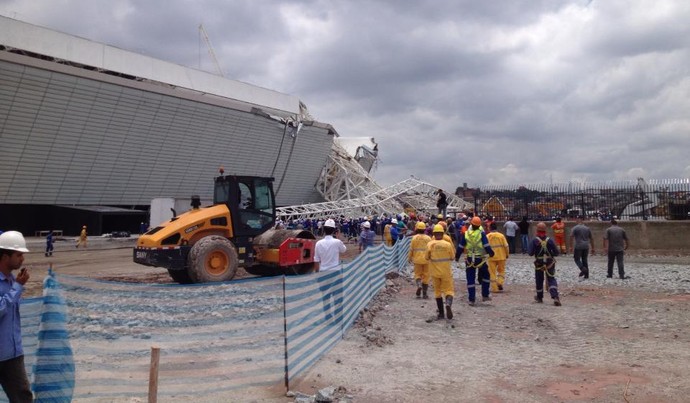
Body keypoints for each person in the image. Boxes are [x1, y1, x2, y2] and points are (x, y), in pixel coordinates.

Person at [0, 231, 34, 403]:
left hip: (12, 354)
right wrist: (18, 287)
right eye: (19, 254)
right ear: (5, 256)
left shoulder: (12, 280)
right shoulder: (14, 284)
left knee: (23, 397)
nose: (22, 259)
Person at [457, 216, 495, 306]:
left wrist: (457, 257)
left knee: (470, 279)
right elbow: (486, 245)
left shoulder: (466, 234)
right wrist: (491, 253)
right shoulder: (481, 234)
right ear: (479, 225)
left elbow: (460, 247)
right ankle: (485, 295)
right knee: (486, 275)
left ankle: (471, 299)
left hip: (470, 259)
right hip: (480, 259)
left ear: (471, 224)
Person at [426, 224, 456, 319]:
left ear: (434, 234)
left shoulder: (430, 244)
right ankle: (448, 303)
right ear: (443, 233)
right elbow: (452, 257)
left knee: (437, 292)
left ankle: (441, 313)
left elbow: (426, 257)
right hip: (446, 272)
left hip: (434, 272)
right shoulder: (447, 244)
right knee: (449, 291)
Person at [528, 222, 561, 306]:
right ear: (545, 230)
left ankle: (539, 297)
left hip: (539, 263)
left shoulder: (534, 240)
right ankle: (555, 296)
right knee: (551, 278)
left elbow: (530, 253)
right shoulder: (550, 240)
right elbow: (557, 253)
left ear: (537, 230)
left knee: (539, 280)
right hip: (549, 262)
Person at [408, 221, 431, 299]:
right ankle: (424, 294)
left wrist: (409, 258)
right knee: (426, 276)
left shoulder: (414, 238)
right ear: (424, 229)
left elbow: (411, 249)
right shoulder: (428, 238)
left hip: (417, 259)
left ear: (417, 229)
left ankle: (419, 285)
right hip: (426, 260)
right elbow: (430, 249)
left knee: (417, 274)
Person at [487, 222, 509, 292]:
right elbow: (506, 246)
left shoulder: (488, 236)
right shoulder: (501, 236)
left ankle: (494, 288)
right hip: (501, 256)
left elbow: (485, 247)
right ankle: (499, 282)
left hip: (491, 257)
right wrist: (507, 254)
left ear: (490, 228)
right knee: (501, 271)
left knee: (492, 273)